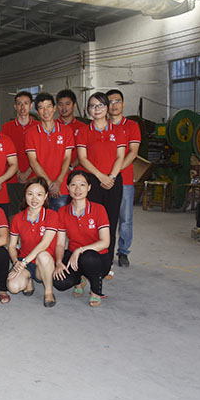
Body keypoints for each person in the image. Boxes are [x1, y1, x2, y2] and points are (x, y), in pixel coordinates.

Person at [76, 92, 126, 273]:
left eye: (100, 105)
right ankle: (88, 261)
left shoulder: (118, 131)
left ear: (107, 107)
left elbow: (120, 156)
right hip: (92, 182)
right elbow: (82, 158)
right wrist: (100, 176)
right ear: (88, 110)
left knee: (110, 222)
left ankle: (107, 263)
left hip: (113, 181)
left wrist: (111, 177)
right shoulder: (83, 132)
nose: (96, 109)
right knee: (90, 222)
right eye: (92, 106)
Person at [53, 171, 110, 307]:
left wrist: (80, 250)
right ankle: (79, 281)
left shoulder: (99, 209)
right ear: (68, 187)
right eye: (73, 185)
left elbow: (105, 242)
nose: (77, 189)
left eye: (82, 185)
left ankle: (95, 291)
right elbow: (60, 244)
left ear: (89, 187)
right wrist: (59, 262)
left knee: (88, 257)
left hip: (98, 258)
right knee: (60, 282)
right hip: (74, 258)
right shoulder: (63, 211)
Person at [6, 177, 58, 307]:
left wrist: (23, 262)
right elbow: (11, 246)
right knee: (13, 287)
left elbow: (44, 244)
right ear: (25, 195)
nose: (34, 199)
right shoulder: (18, 218)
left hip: (44, 263)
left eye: (39, 195)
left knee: (43, 255)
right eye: (30, 194)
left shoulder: (51, 215)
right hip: (25, 261)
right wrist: (16, 262)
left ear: (45, 196)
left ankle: (49, 291)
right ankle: (28, 279)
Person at [106, 89, 141, 268]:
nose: (114, 105)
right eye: (110, 102)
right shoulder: (101, 126)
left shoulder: (132, 126)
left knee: (125, 219)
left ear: (123, 104)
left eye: (117, 101)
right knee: (105, 219)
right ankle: (105, 251)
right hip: (103, 181)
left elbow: (133, 152)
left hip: (124, 179)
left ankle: (123, 252)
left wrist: (114, 172)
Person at [25, 92, 74, 211]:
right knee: (38, 220)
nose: (45, 111)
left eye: (48, 106)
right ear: (37, 112)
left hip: (61, 187)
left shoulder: (66, 131)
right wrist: (49, 183)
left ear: (54, 108)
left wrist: (58, 181)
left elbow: (67, 158)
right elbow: (33, 161)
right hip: (38, 188)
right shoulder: (30, 133)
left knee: (60, 220)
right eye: (41, 108)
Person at [1, 91, 37, 216]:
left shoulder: (38, 127)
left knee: (33, 213)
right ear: (15, 107)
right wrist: (17, 172)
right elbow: (5, 153)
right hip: (12, 178)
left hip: (33, 176)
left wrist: (27, 172)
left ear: (31, 106)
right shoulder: (6, 128)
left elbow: (40, 153)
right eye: (19, 104)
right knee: (13, 214)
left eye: (26, 103)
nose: (22, 107)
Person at [56, 89, 87, 168]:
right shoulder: (51, 126)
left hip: (78, 171)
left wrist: (71, 166)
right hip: (55, 170)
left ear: (74, 105)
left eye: (67, 104)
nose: (64, 107)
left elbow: (86, 151)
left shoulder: (83, 127)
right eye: (60, 104)